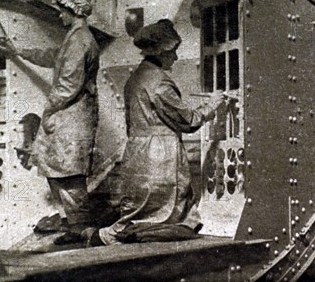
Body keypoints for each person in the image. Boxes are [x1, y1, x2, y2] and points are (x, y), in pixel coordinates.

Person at [90, 19, 225, 246]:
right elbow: (188, 121)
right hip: (160, 155)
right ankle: (107, 237)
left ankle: (102, 236)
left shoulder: (135, 78)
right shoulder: (160, 82)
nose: (176, 57)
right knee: (165, 215)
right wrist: (213, 104)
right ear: (161, 52)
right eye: (173, 52)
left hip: (137, 151)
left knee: (139, 209)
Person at [0, 0, 101, 244]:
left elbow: (69, 86)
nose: (60, 16)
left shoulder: (81, 40)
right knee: (60, 169)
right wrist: (18, 52)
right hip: (69, 115)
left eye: (62, 11)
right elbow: (52, 57)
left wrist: (48, 110)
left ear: (72, 11)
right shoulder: (76, 38)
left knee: (70, 173)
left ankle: (80, 229)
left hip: (71, 115)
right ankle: (75, 226)